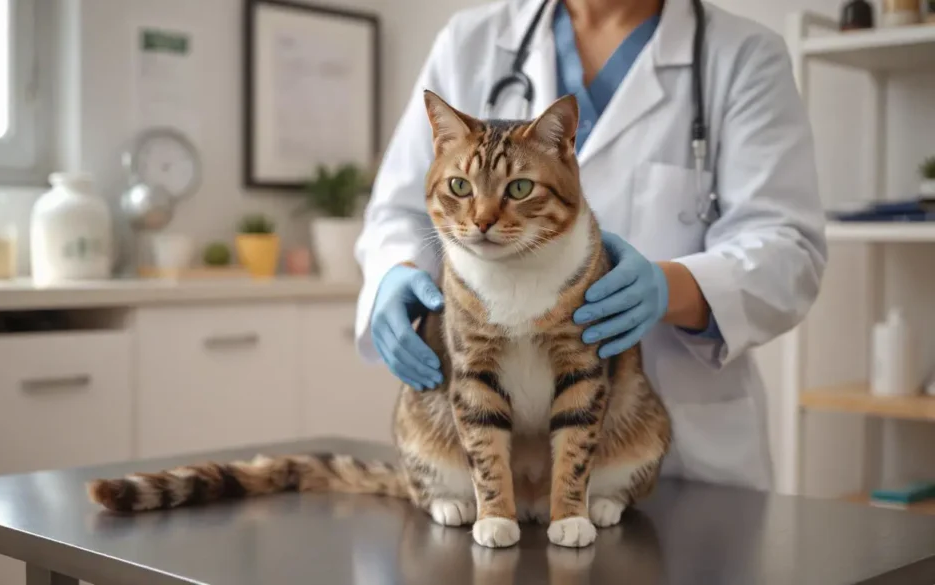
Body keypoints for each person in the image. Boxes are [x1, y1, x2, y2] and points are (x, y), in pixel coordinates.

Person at [352, 0, 827, 491]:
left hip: (679, 453)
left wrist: (671, 288)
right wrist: (397, 270)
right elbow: (404, 206)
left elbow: (787, 246)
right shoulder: (472, 41)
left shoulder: (743, 55)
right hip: (487, 454)